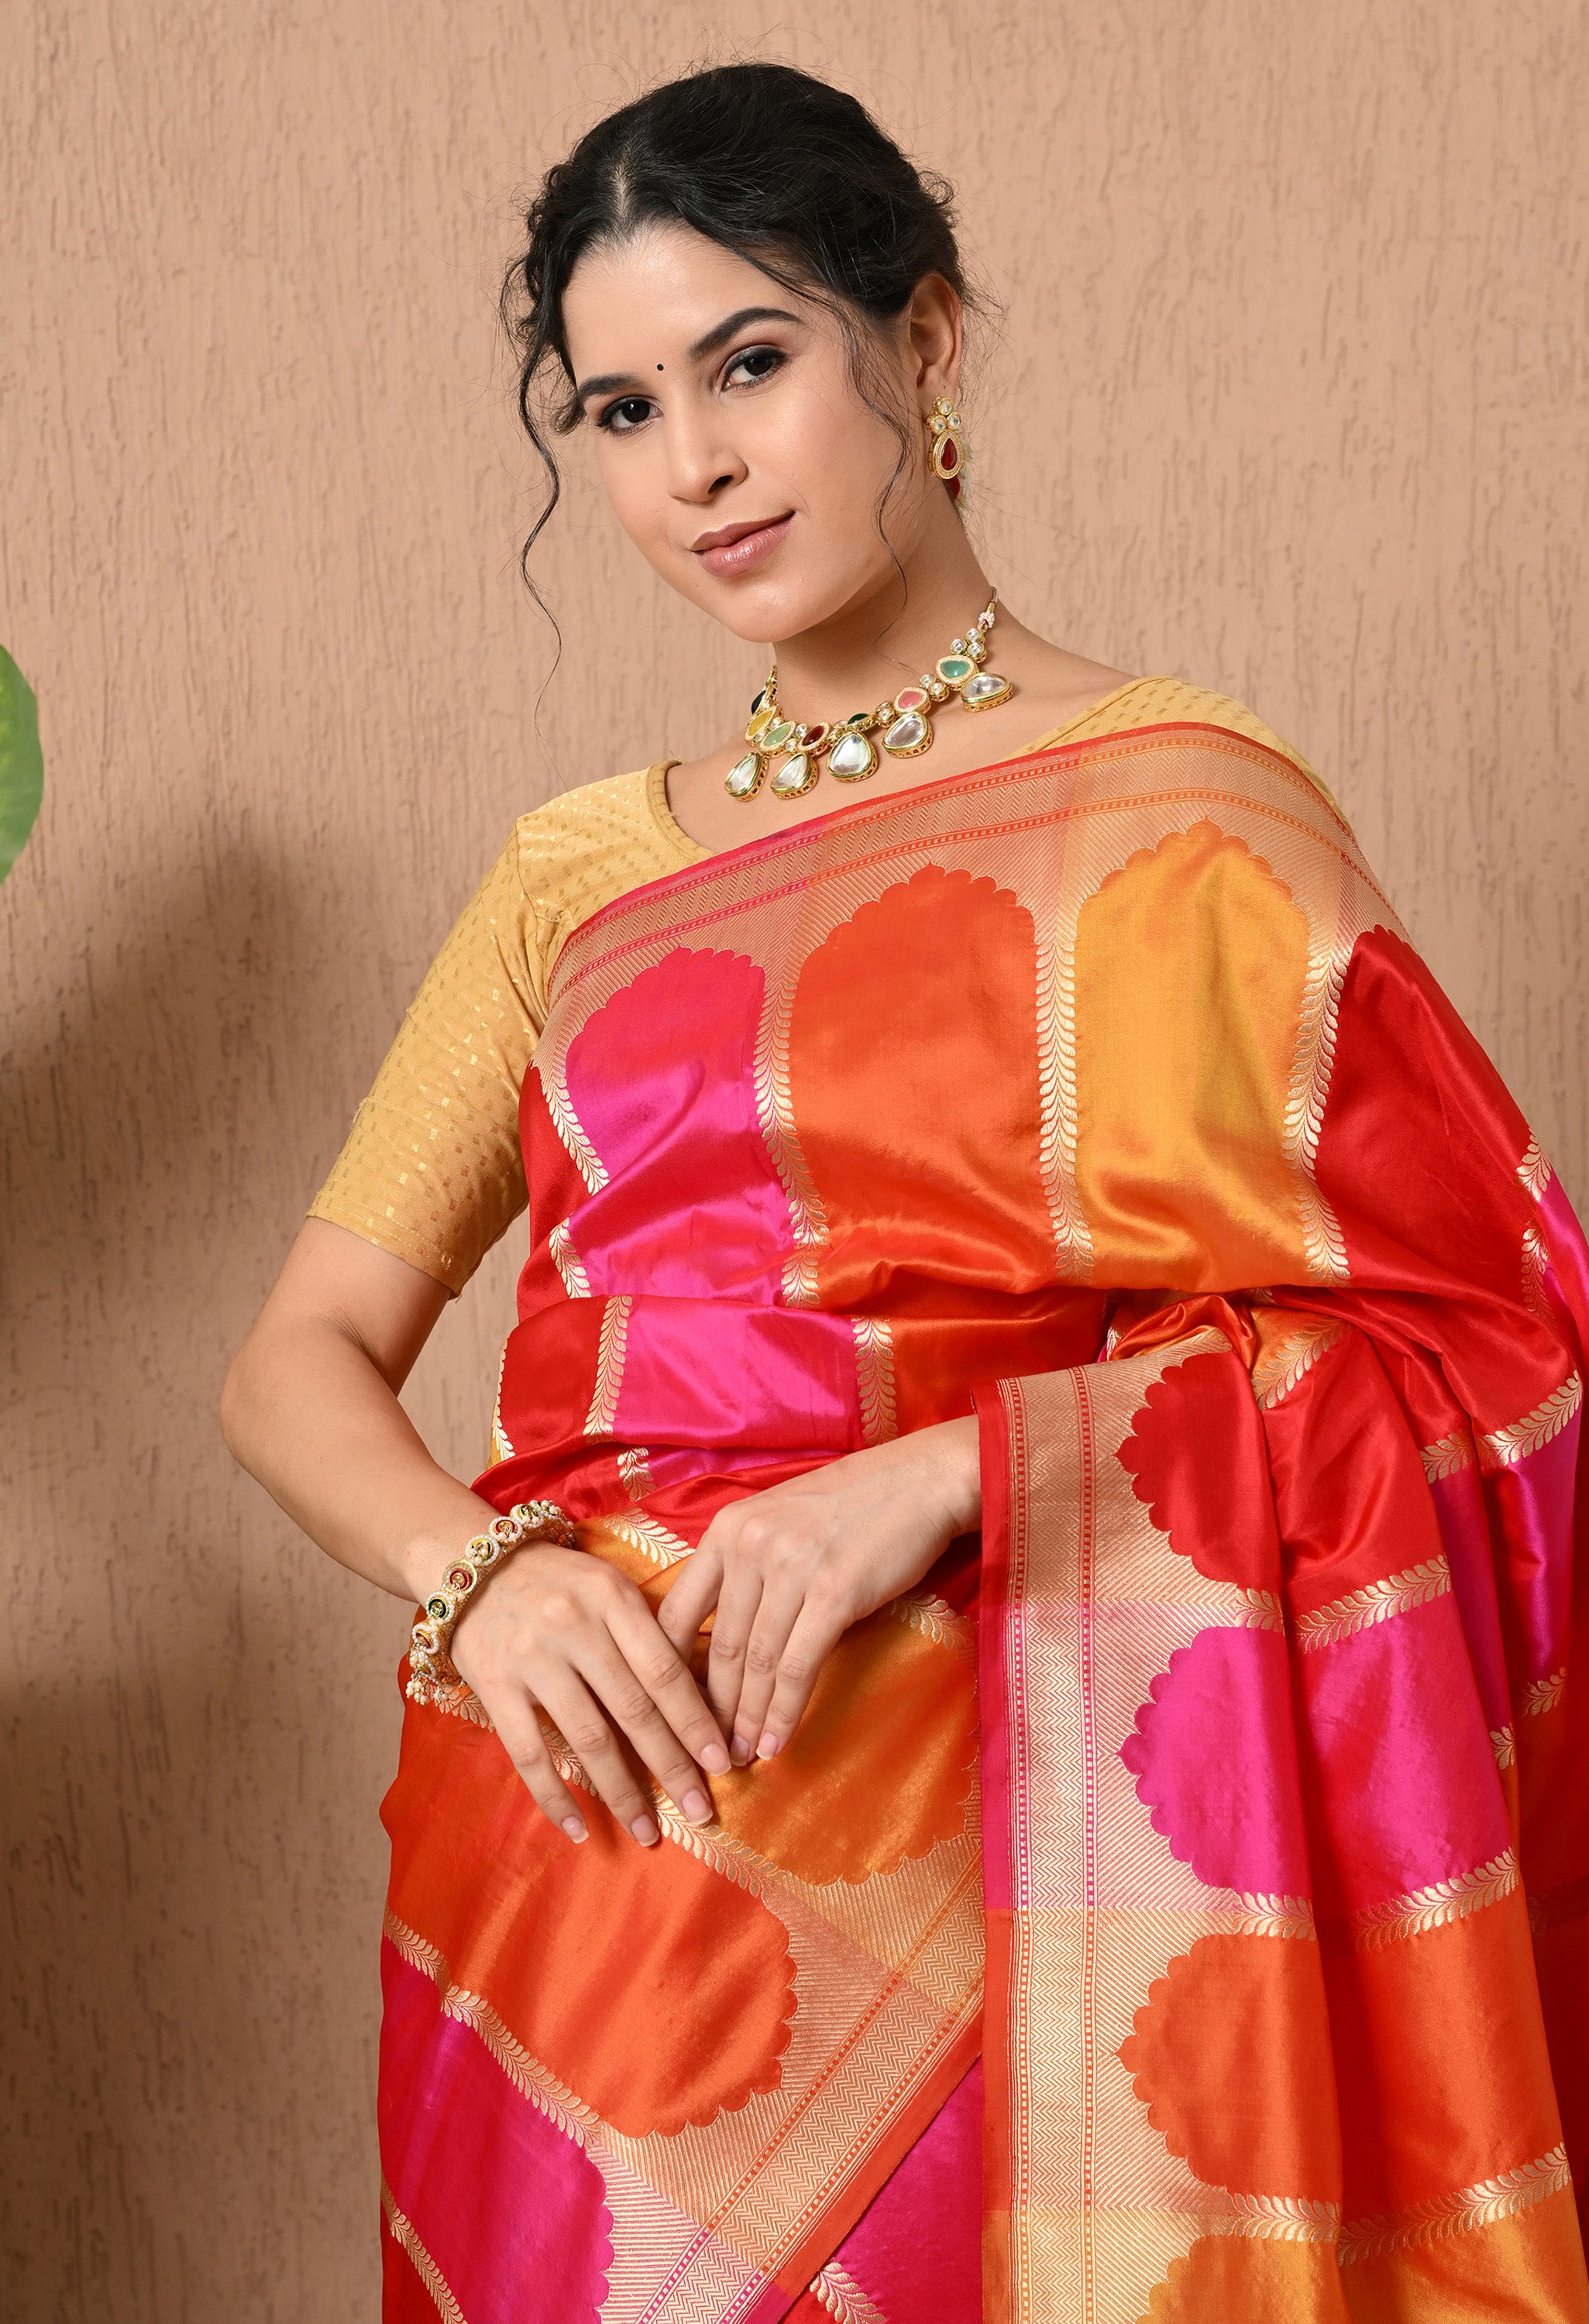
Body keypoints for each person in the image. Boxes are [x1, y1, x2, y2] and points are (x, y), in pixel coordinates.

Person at [222, 60, 1589, 2324]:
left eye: (749, 363)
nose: (696, 468)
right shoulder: (578, 874)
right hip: (590, 1878)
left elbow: (1490, 1351)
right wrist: (489, 1581)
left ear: (922, 345)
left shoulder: (1181, 811)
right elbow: (296, 1367)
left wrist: (952, 1479)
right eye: (619, 409)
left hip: (1051, 1864)